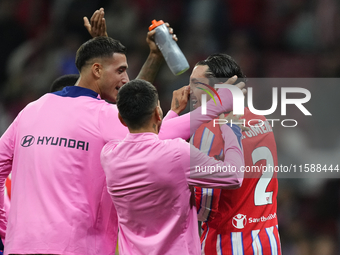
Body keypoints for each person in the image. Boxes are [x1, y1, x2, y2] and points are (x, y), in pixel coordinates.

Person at [0, 34, 243, 254]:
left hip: (19, 246)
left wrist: (6, 227)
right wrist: (220, 104)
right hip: (77, 248)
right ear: (97, 70)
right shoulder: (100, 115)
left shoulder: (30, 111)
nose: (126, 78)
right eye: (121, 70)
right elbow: (155, 131)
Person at [100, 79, 244, 255]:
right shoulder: (177, 153)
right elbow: (234, 176)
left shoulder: (109, 154)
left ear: (121, 118)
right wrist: (231, 128)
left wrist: (174, 114)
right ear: (158, 112)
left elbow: (146, 140)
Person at [191, 54, 281, 255]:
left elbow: (204, 209)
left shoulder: (208, 131)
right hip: (268, 241)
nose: (189, 91)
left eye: (197, 84)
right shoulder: (262, 121)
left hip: (227, 244)